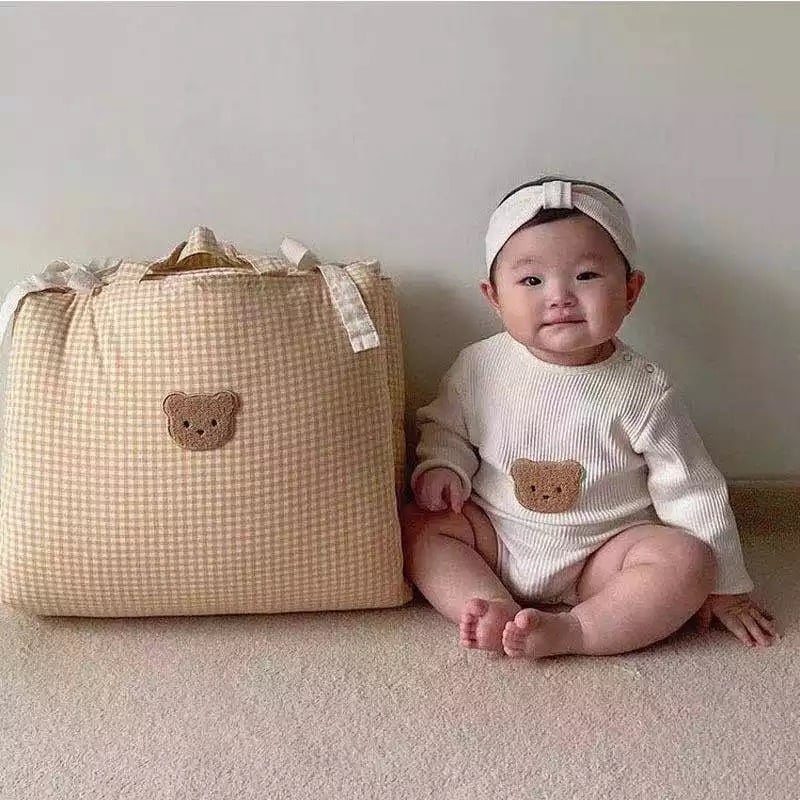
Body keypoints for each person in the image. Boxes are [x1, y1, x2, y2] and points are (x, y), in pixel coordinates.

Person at [402, 176, 778, 659]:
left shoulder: (644, 389)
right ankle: (489, 605)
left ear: (631, 291)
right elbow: (446, 427)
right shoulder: (479, 366)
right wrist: (443, 466)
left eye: (586, 276)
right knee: (419, 525)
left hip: (602, 557)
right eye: (532, 281)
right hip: (496, 537)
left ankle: (576, 630)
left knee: (688, 560)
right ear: (494, 298)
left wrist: (724, 585)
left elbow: (690, 487)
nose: (560, 296)